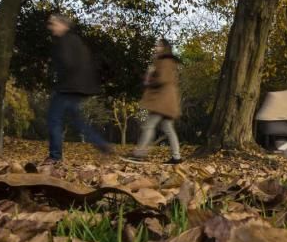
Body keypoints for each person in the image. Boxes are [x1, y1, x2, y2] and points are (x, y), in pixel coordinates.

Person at [44, 13, 113, 164]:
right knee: (78, 121)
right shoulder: (77, 41)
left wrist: (59, 79)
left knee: (54, 119)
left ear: (63, 25)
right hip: (79, 88)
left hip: (68, 87)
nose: (51, 27)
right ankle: (102, 144)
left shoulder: (65, 41)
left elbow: (68, 64)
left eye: (54, 24)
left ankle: (55, 156)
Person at [127, 39, 183, 164]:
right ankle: (176, 157)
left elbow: (162, 79)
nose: (155, 47)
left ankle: (139, 154)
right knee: (168, 128)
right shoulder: (168, 61)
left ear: (164, 47)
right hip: (168, 100)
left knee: (149, 126)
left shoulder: (164, 61)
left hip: (162, 100)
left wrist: (149, 78)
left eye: (158, 45)